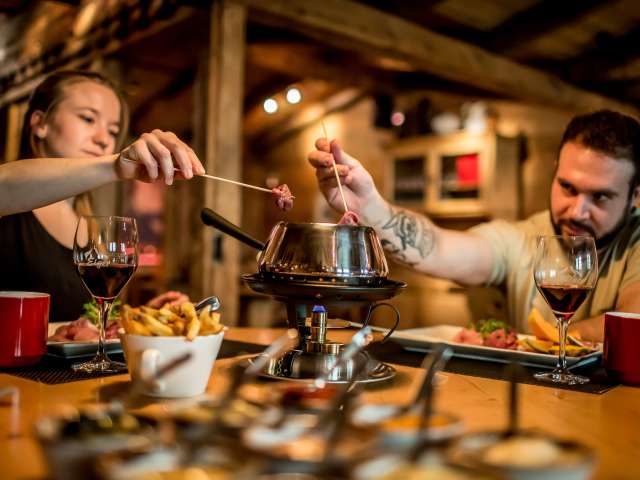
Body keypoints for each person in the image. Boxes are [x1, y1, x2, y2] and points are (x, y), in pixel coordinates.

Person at [308, 110, 640, 342]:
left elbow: (634, 324)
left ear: (636, 196)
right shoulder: (524, 238)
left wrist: (554, 340)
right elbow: (438, 248)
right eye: (567, 187)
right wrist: (369, 207)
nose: (578, 210)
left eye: (600, 196)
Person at [0, 70, 202, 322]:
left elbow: (84, 324)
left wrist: (139, 318)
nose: (103, 140)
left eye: (113, 131)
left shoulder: (90, 225)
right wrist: (116, 166)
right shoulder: (9, 205)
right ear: (40, 123)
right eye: (87, 118)